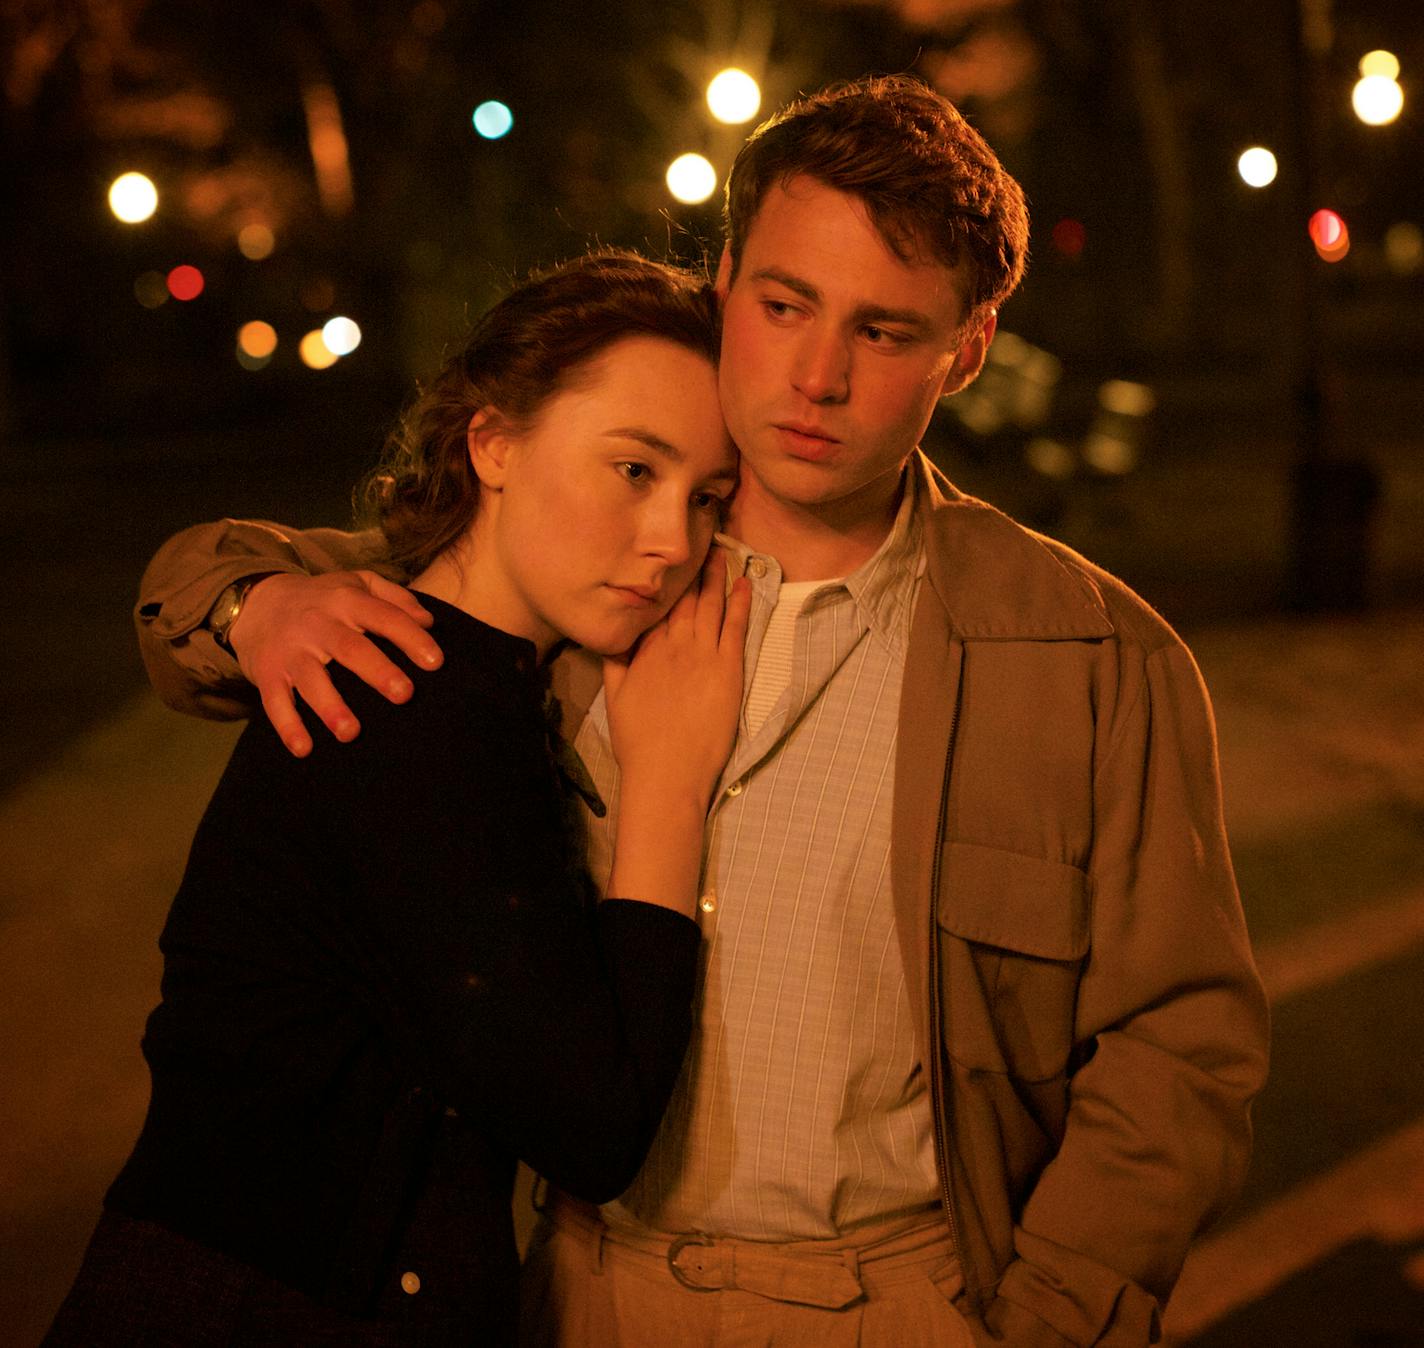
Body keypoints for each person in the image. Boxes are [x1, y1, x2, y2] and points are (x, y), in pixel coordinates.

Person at [134, 77, 1269, 1348]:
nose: (816, 377)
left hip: (903, 1299)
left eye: (885, 332)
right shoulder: (598, 564)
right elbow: (291, 593)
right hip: (587, 1289)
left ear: (969, 347)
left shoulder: (1085, 656)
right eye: (783, 305)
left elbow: (1177, 1046)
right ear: (726, 277)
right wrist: (252, 605)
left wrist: (1051, 1320)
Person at [47, 251, 751, 1347]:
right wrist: (667, 787)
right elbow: (593, 1125)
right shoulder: (403, 692)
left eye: (706, 498)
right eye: (631, 470)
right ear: (493, 441)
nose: (671, 541)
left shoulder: (464, 671)